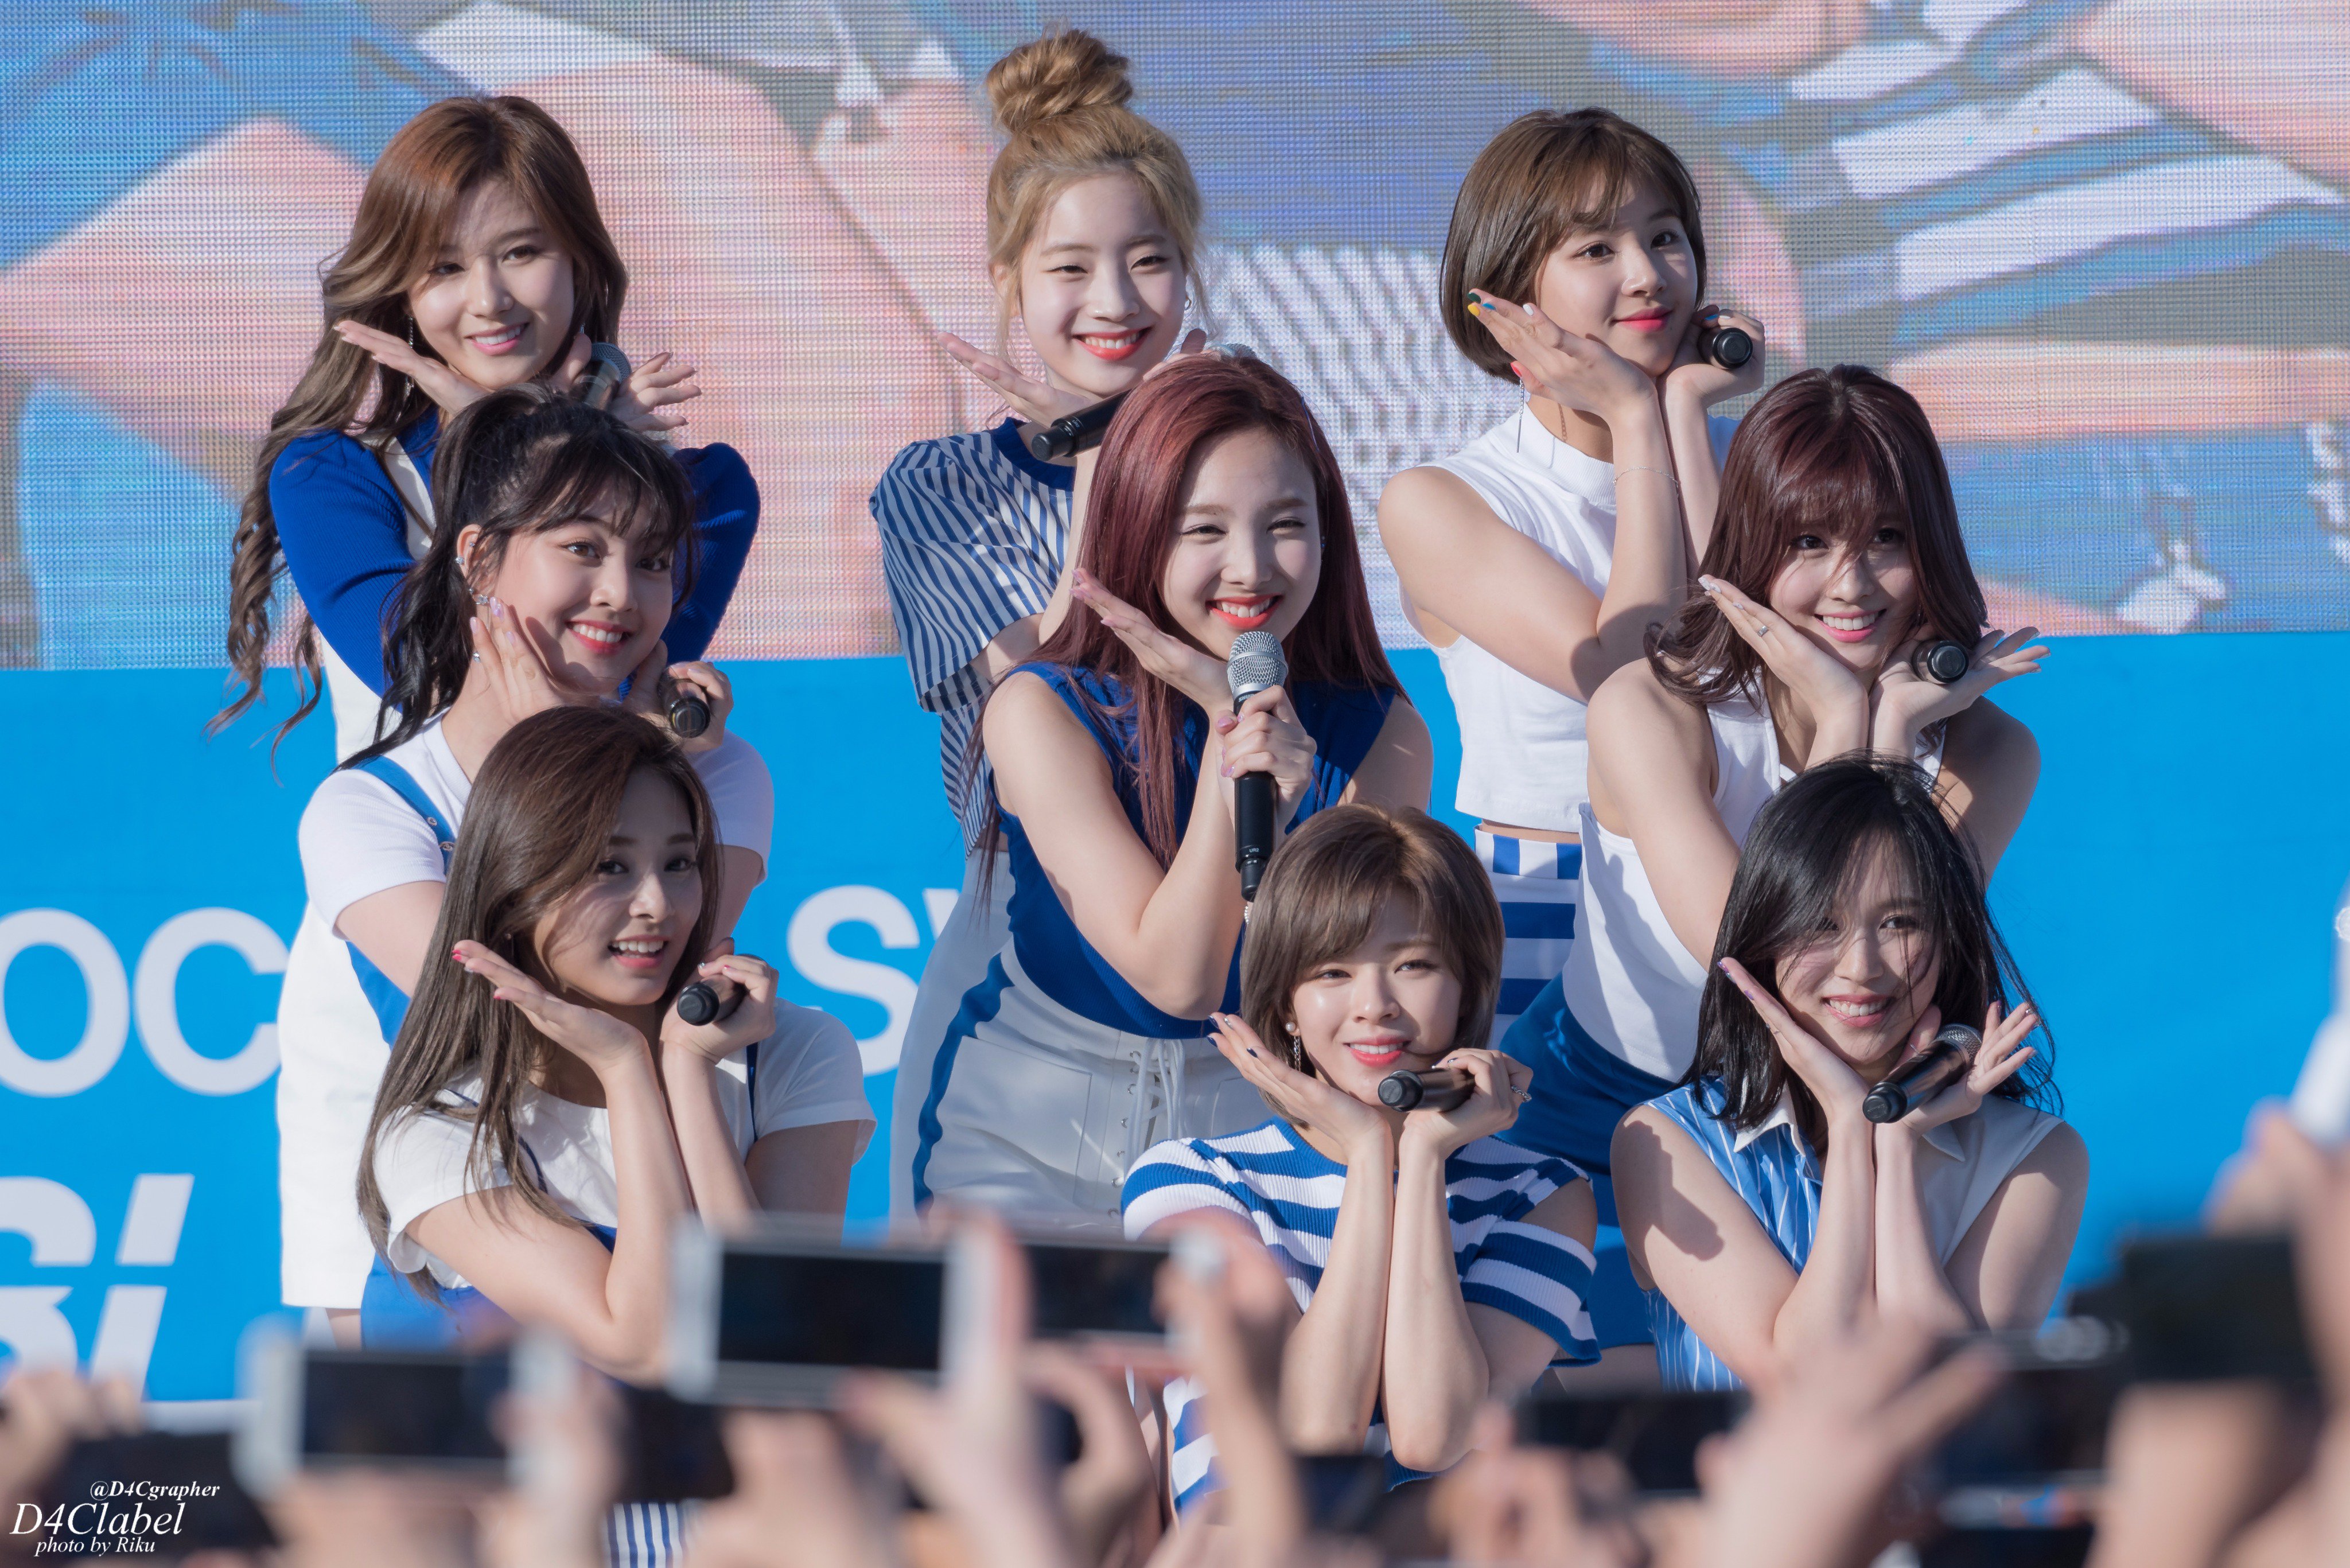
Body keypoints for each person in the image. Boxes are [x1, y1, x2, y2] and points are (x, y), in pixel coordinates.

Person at [287, 390, 866, 1344]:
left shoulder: (720, 769)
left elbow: (659, 970)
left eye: (653, 561)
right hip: (472, 1193)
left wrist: (620, 753)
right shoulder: (372, 805)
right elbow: (494, 996)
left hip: (654, 1142)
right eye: (582, 549)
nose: (620, 593)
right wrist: (551, 747)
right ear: (479, 559)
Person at [1505, 364, 2048, 1363]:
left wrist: (1888, 730)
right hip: (1606, 1099)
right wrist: (1853, 724)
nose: (1851, 585)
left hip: (1816, 1116)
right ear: (1752, 546)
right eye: (1808, 543)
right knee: (1602, 1418)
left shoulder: (1989, 751)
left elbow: (1864, 962)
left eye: (1888, 539)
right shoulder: (1651, 708)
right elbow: (1761, 960)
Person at [906, 352, 1434, 1223]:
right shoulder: (1041, 708)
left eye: (1286, 524)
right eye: (1204, 530)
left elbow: (1342, 985)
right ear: (1136, 531)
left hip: (1256, 1130)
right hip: (1024, 1129)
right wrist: (1233, 738)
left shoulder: (1383, 732)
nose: (1251, 567)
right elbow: (1176, 977)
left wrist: (1282, 799)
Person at [872, 28, 1208, 1215]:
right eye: (1069, 267)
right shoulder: (937, 485)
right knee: (974, 1322)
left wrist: (1159, 447)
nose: (1113, 303)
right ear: (1007, 278)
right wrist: (1097, 462)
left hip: (1227, 941)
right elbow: (1046, 692)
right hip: (1022, 954)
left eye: (1149, 261)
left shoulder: (1247, 467)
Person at [357, 705, 785, 1566]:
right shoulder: (437, 1132)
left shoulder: (788, 1054)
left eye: (679, 863)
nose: (657, 904)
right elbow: (641, 1343)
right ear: (515, 886)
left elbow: (773, 1350)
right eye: (608, 867)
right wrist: (628, 1071)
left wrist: (685, 1074)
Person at [217, 92, 752, 762]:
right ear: (400, 292)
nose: (489, 300)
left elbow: (606, 684)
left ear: (581, 262)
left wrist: (551, 439)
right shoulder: (329, 476)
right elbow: (424, 678)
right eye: (445, 267)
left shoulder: (704, 491)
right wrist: (513, 436)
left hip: (602, 824)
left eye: (522, 252)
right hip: (412, 828)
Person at [1378, 108, 1760, 1042]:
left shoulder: (1752, 457)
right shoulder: (1444, 500)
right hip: (1552, 903)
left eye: (1664, 237)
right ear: (1509, 296)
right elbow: (1635, 671)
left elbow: (1756, 660)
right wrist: (1635, 418)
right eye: (1596, 249)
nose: (1648, 274)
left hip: (1754, 890)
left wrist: (1677, 418)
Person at [1123, 803, 1598, 1508]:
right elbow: (1313, 1436)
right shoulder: (1193, 1182)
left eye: (1413, 965)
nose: (1374, 1005)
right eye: (1332, 972)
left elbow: (1434, 1435)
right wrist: (1372, 1152)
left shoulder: (1540, 1195)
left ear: (1467, 985)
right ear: (1286, 1003)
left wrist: (1423, 1158)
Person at [1613, 756, 2088, 1392]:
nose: (1861, 966)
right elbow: (1802, 1380)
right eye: (1821, 923)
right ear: (1762, 937)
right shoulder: (1668, 1144)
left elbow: (1948, 1390)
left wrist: (1893, 1143)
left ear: (1947, 939)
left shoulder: (2034, 1157)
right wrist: (1847, 1120)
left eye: (1900, 923)